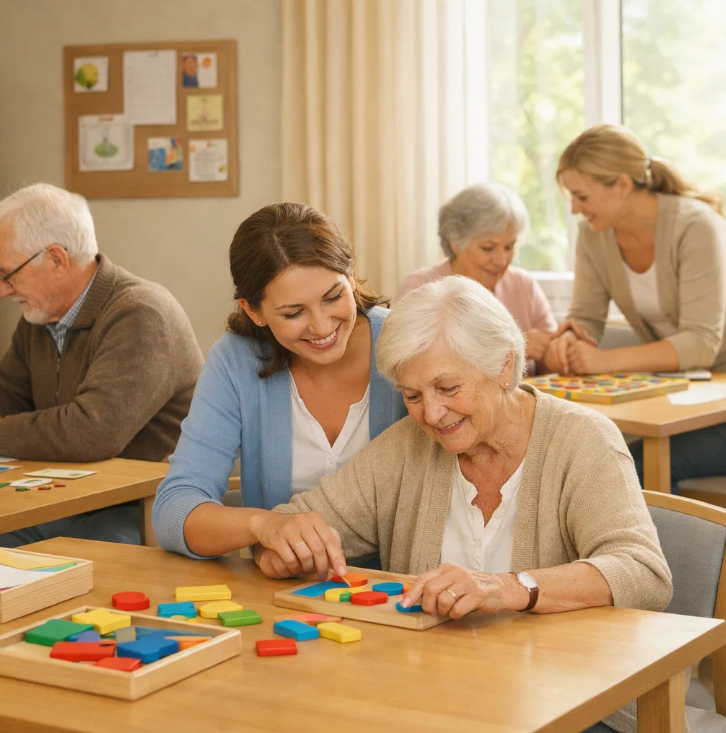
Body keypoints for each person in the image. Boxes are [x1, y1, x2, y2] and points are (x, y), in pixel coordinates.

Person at [210, 276, 670, 732]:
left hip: (569, 700)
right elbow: (284, 535)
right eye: (412, 395)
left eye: (448, 388)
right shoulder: (406, 447)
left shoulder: (583, 440)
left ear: (504, 367)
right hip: (428, 700)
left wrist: (511, 587)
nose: (431, 414)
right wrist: (281, 543)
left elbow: (643, 572)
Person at [545, 124, 726, 491]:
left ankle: (646, 552)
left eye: (581, 197)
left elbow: (700, 343)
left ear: (621, 184)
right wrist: (569, 340)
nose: (573, 209)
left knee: (631, 468)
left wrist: (601, 360)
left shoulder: (695, 226)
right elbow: (586, 317)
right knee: (599, 458)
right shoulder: (593, 233)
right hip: (692, 398)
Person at [0, 183, 203, 546]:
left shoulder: (140, 313)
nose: (2, 291)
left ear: (56, 260)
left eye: (7, 274)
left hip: (139, 507)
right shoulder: (40, 316)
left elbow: (93, 432)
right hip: (61, 497)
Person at [152, 203, 407, 560]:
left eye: (333, 297)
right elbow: (173, 511)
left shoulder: (405, 343)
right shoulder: (235, 360)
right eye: (293, 313)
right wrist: (264, 525)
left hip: (395, 592)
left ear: (350, 277)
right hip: (283, 595)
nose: (321, 327)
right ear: (253, 311)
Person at [395, 183, 557, 375]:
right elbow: (407, 369)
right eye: (488, 248)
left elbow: (553, 360)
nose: (501, 260)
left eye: (509, 247)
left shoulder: (523, 285)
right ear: (455, 242)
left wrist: (557, 353)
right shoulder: (418, 288)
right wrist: (513, 350)